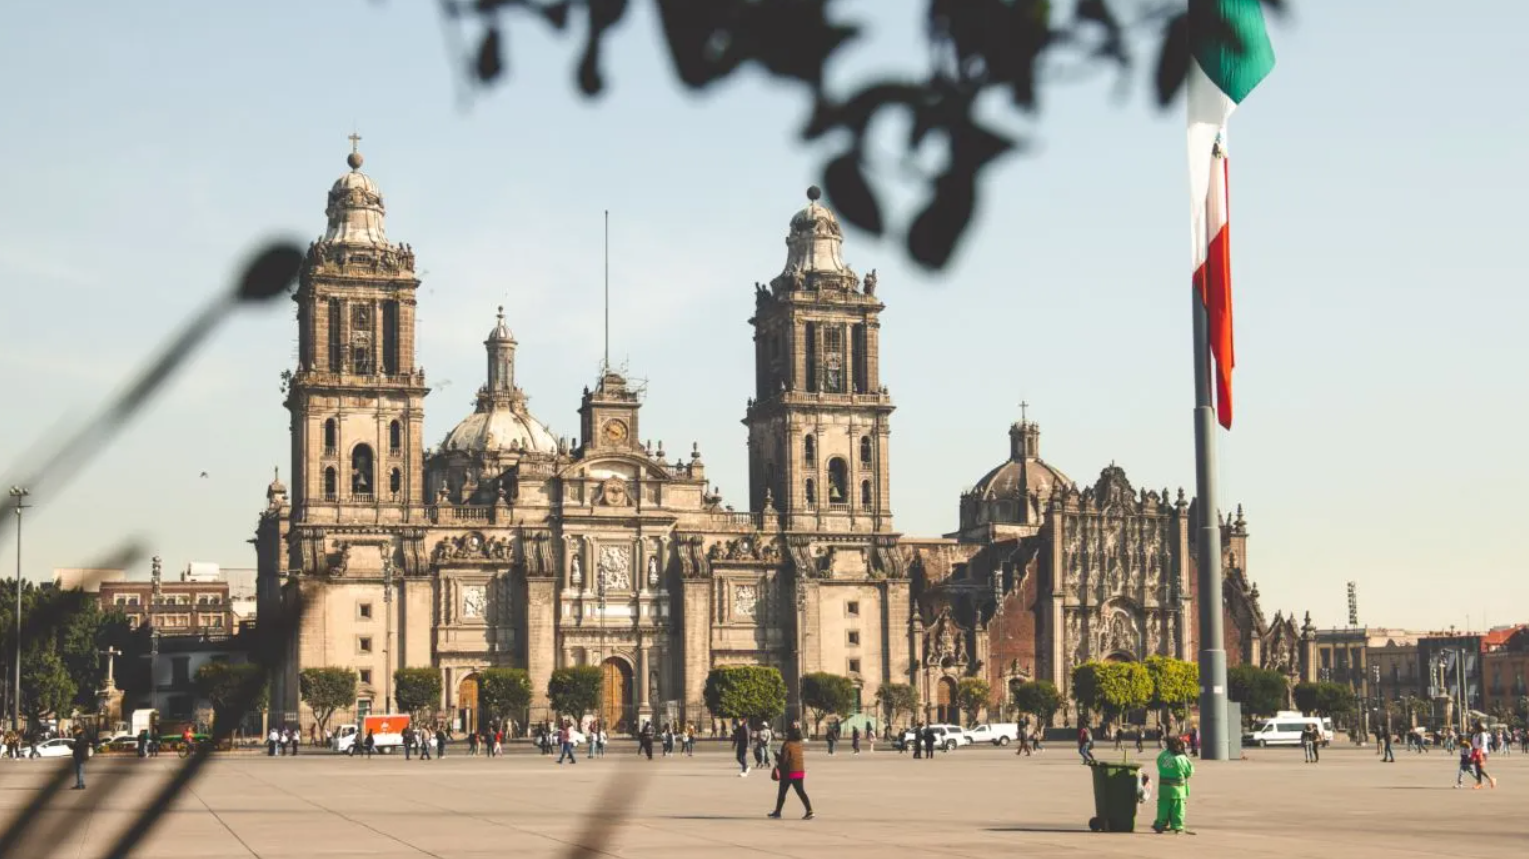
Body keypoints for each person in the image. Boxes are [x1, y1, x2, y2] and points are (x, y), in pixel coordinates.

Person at [767, 724, 814, 820]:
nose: (786, 734)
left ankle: (777, 812)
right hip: (800, 771)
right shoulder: (799, 743)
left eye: (787, 733)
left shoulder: (787, 744)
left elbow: (784, 760)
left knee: (782, 793)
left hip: (789, 772)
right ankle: (809, 811)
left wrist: (777, 756)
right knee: (801, 792)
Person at [1151, 736, 1195, 833]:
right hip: (1178, 789)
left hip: (1163, 788)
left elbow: (1159, 765)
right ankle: (1177, 825)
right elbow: (1190, 771)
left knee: (1163, 807)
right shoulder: (1181, 757)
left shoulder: (1162, 755)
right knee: (1178, 808)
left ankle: (1160, 824)